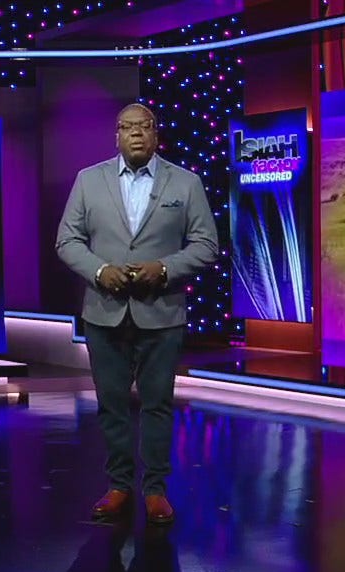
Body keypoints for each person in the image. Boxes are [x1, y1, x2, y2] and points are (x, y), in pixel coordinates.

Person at [56, 103, 219, 525]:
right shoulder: (88, 181)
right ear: (116, 135)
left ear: (156, 134)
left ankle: (156, 490)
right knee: (111, 405)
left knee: (157, 405)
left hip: (161, 314)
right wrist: (99, 271)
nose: (136, 134)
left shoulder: (185, 183)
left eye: (144, 126)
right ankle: (119, 485)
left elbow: (206, 245)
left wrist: (164, 269)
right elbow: (67, 240)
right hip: (104, 313)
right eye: (127, 127)